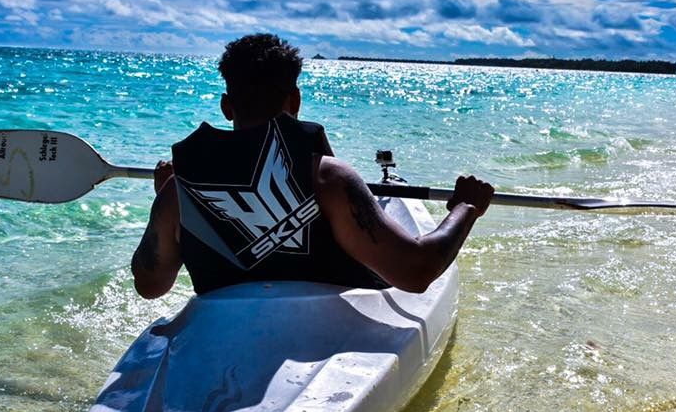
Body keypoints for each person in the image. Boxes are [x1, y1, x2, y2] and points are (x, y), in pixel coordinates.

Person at [131, 33, 494, 298]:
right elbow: (416, 271)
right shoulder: (329, 179)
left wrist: (167, 197)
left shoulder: (179, 191)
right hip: (321, 332)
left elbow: (150, 285)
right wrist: (466, 207)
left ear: (227, 106)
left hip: (226, 333)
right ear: (295, 100)